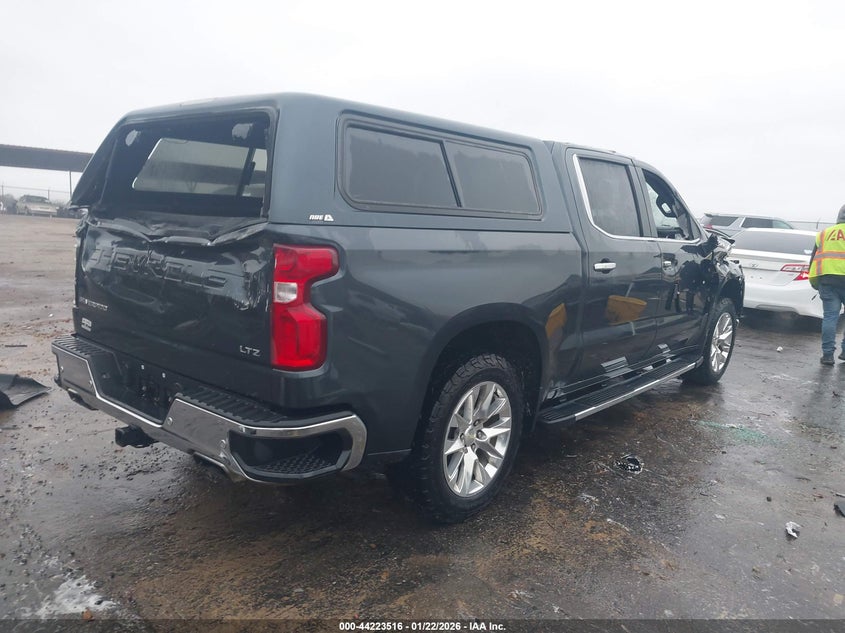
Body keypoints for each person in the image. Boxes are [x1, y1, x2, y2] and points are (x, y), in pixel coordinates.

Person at [808, 204, 845, 365]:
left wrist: (814, 282)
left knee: (830, 317)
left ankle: (828, 355)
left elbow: (813, 261)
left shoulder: (824, 234)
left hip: (828, 280)